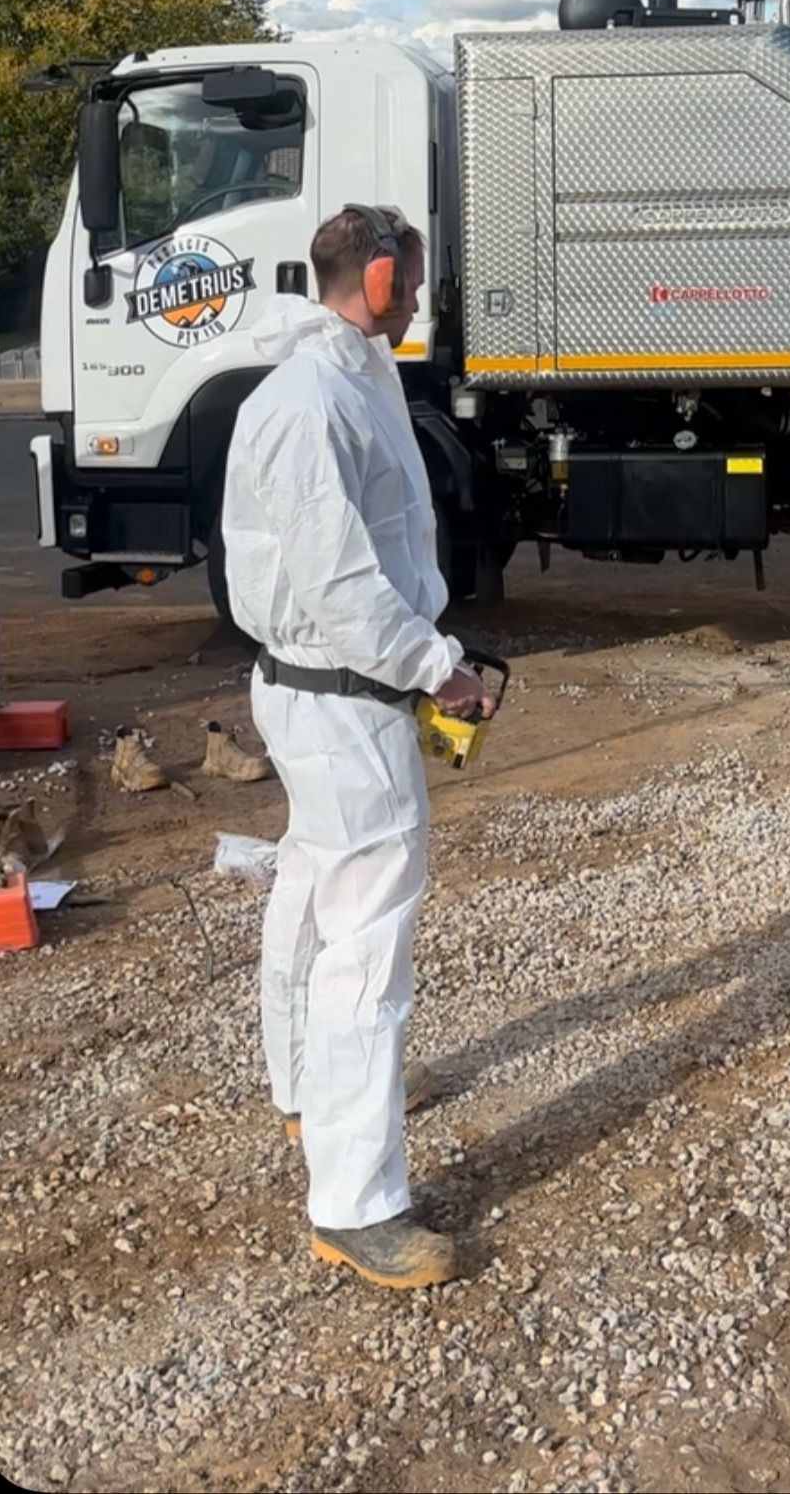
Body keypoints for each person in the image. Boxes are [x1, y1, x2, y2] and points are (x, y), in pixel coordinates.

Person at [221, 204, 494, 1290]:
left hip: (321, 696)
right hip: (345, 696)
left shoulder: (341, 371)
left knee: (310, 885)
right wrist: (441, 668)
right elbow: (341, 587)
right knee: (367, 942)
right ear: (377, 278)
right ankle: (356, 1201)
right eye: (414, 282)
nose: (422, 298)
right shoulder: (314, 398)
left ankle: (307, 1093)